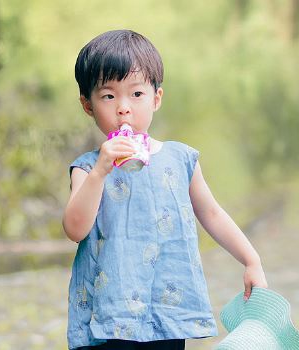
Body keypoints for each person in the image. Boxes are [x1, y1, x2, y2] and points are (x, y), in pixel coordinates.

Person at [62, 29, 268, 350]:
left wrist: (251, 260)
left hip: (166, 310)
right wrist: (101, 171)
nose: (123, 108)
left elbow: (211, 213)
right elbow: (75, 229)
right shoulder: (88, 168)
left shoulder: (180, 158)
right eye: (108, 96)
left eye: (137, 94)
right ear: (88, 105)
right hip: (110, 314)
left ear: (156, 98)